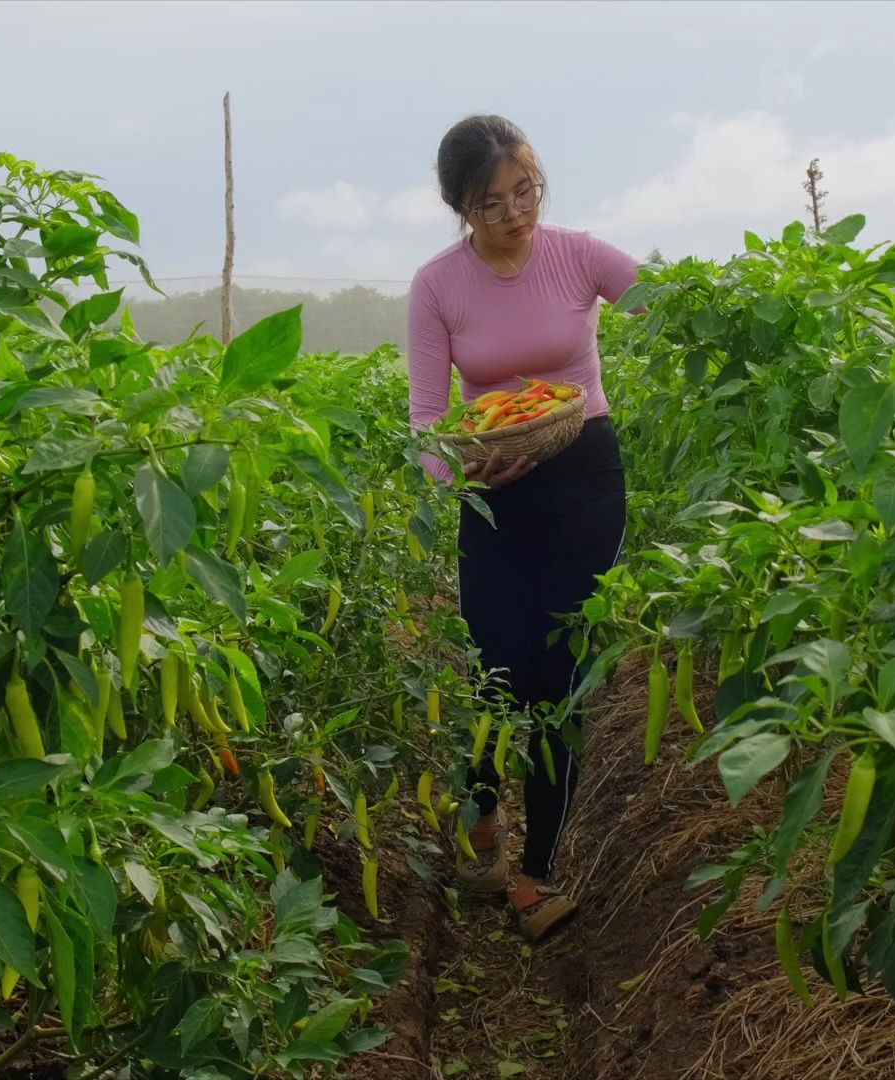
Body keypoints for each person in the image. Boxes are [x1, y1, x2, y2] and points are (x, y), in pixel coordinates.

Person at [406, 115, 639, 941]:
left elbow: (674, 304)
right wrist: (460, 472)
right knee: (494, 669)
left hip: (584, 476)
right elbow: (431, 418)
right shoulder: (438, 286)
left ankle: (537, 875)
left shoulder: (578, 252)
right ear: (460, 208)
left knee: (559, 671)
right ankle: (480, 825)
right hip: (492, 484)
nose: (515, 213)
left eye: (525, 190)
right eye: (491, 202)